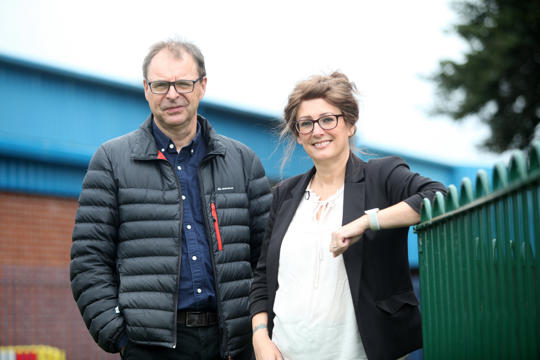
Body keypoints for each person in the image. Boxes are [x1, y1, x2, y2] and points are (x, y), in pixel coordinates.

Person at [70, 39, 272, 360]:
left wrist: (259, 330)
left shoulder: (243, 161)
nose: (173, 94)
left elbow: (267, 259)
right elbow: (88, 261)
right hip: (150, 348)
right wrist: (121, 337)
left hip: (232, 345)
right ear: (146, 89)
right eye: (161, 84)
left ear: (202, 86)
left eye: (183, 83)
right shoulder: (111, 160)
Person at [249, 72, 447, 360]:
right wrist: (259, 337)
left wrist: (368, 221)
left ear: (350, 124)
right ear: (298, 134)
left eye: (328, 119)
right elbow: (262, 277)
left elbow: (439, 196)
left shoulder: (381, 176)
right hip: (285, 352)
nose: (318, 131)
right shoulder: (284, 193)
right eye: (306, 123)